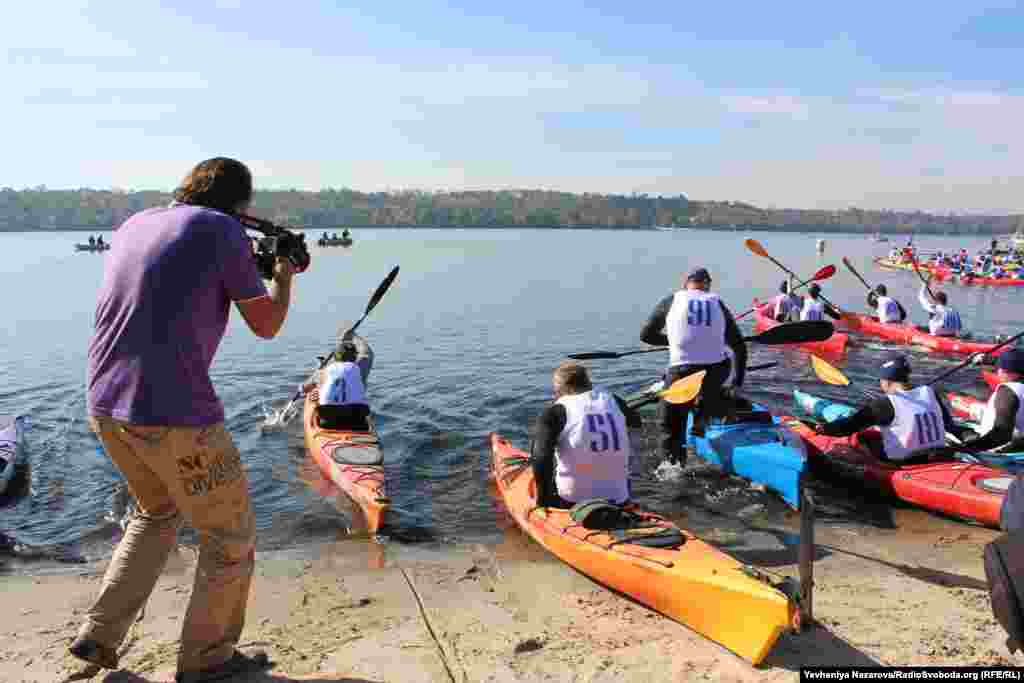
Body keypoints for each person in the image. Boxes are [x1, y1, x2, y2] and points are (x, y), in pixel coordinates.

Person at [74, 158, 296, 681]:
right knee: (230, 538)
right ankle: (207, 663)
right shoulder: (222, 229)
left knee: (156, 511)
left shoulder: (136, 223)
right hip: (174, 413)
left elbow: (179, 280)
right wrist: (283, 277)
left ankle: (99, 634)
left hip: (104, 405)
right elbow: (266, 324)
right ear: (240, 206)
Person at [639, 267, 747, 465]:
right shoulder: (717, 302)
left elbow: (646, 336)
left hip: (681, 373)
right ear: (707, 285)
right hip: (716, 371)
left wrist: (672, 340)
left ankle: (673, 470)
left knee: (669, 427)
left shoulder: (672, 300)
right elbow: (739, 346)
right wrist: (737, 383)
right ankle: (704, 412)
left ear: (685, 282)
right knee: (715, 378)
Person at [814, 353, 967, 463]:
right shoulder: (930, 392)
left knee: (862, 437)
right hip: (937, 454)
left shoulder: (883, 404)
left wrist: (824, 429)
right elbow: (948, 424)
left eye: (880, 381)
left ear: (886, 381)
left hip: (906, 461)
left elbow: (848, 426)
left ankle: (872, 465)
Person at [531, 362, 642, 508]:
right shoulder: (612, 399)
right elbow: (636, 422)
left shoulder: (554, 412)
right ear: (588, 382)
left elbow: (541, 457)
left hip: (572, 499)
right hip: (619, 496)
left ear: (560, 388)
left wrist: (542, 500)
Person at [300, 332, 374, 430]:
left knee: (317, 390)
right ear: (355, 356)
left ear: (336, 357)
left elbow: (303, 389)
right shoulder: (360, 367)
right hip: (357, 419)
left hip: (328, 420)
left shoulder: (324, 371)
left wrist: (308, 389)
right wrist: (352, 335)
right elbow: (368, 352)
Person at [956, 350, 1024, 455]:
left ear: (1007, 371)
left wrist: (966, 449)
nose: (997, 371)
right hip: (1017, 443)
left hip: (1000, 452)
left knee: (955, 431)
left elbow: (1002, 434)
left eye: (999, 368)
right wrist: (985, 358)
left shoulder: (1008, 391)